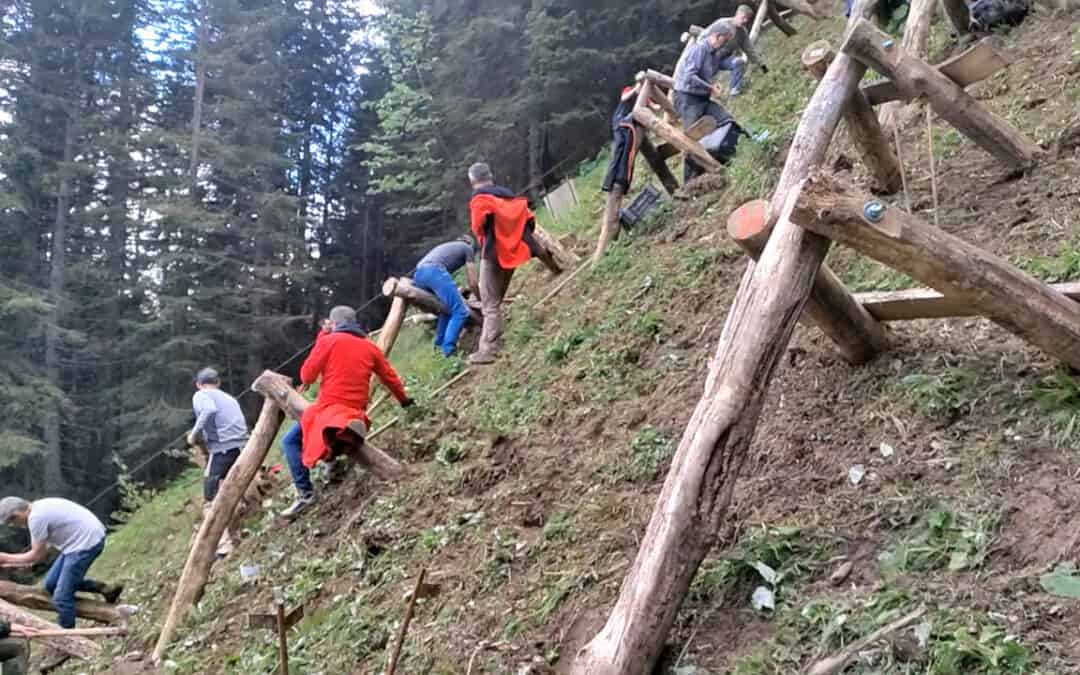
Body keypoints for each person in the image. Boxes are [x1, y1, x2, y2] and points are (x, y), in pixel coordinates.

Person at [280, 306, 413, 518]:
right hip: (356, 412)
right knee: (325, 431)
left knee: (289, 441)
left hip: (329, 410)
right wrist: (405, 401)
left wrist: (322, 337)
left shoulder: (328, 341)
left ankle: (305, 494)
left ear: (333, 324)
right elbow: (390, 377)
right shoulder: (370, 347)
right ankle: (332, 462)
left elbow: (306, 376)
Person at [467, 162, 553, 365]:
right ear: (491, 176)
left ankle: (488, 349)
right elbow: (529, 220)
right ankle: (494, 339)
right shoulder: (509, 195)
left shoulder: (479, 200)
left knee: (489, 303)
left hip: (493, 254)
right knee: (495, 301)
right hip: (514, 251)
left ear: (472, 181)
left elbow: (477, 227)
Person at [0, 498, 122, 628]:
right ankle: (105, 589)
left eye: (11, 523)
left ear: (16, 515)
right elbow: (42, 551)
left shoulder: (36, 518)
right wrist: (22, 561)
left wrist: (5, 558)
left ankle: (69, 636)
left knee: (61, 597)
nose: (14, 526)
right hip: (81, 541)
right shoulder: (39, 506)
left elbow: (36, 555)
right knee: (50, 585)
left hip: (85, 544)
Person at [188, 367, 249, 556]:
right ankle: (235, 534)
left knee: (210, 498)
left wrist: (194, 434)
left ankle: (223, 546)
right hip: (241, 447)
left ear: (199, 385)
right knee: (230, 491)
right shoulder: (229, 398)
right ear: (218, 383)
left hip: (223, 448)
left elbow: (208, 410)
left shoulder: (201, 395)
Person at [413, 235, 480, 357]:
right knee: (460, 311)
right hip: (433, 271)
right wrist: (480, 298)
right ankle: (448, 351)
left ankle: (439, 348)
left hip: (419, 275)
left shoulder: (447, 248)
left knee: (446, 310)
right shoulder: (467, 248)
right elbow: (473, 282)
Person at [701, 6, 768, 98]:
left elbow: (750, 50)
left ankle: (734, 89)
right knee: (702, 80)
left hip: (723, 60)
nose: (744, 21)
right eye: (743, 17)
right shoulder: (722, 23)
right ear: (737, 14)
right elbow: (703, 36)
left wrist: (761, 65)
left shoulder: (742, 33)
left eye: (747, 19)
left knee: (739, 62)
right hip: (709, 59)